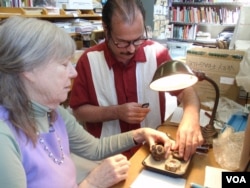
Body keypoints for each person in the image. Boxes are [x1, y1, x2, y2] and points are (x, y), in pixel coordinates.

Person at [0, 16, 173, 188]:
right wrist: (91, 183)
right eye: (63, 64)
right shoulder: (4, 136)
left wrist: (140, 134)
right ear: (28, 69)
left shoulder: (52, 111)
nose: (73, 73)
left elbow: (94, 148)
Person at [69, 0, 204, 160]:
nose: (132, 49)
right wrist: (116, 112)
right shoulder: (88, 61)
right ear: (106, 29)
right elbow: (79, 112)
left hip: (152, 151)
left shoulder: (157, 54)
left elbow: (187, 92)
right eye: (123, 42)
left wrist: (191, 117)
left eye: (138, 39)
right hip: (107, 156)